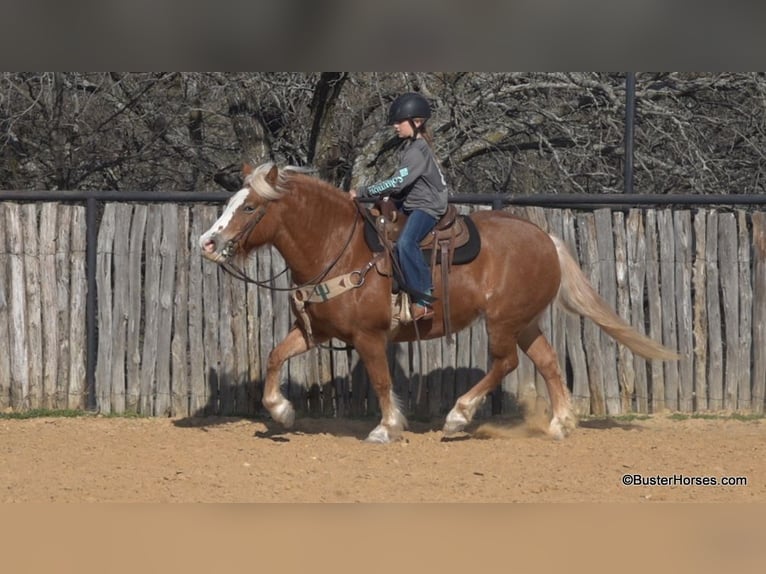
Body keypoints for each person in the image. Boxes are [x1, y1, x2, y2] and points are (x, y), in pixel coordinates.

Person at [350, 92, 448, 321]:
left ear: (417, 122)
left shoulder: (417, 151)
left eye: (399, 121)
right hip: (412, 203)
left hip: (427, 207)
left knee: (406, 242)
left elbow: (397, 182)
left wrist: (363, 192)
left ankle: (423, 301)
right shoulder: (410, 147)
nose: (395, 126)